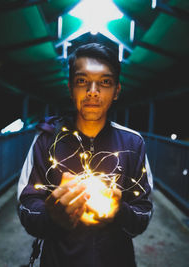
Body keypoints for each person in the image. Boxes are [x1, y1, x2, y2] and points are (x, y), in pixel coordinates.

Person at [17, 42, 153, 267]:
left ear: (117, 90)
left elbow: (143, 213)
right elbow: (27, 204)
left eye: (105, 82)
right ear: (70, 88)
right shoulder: (47, 139)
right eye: (82, 81)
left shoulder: (133, 142)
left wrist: (119, 211)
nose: (92, 91)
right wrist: (52, 216)